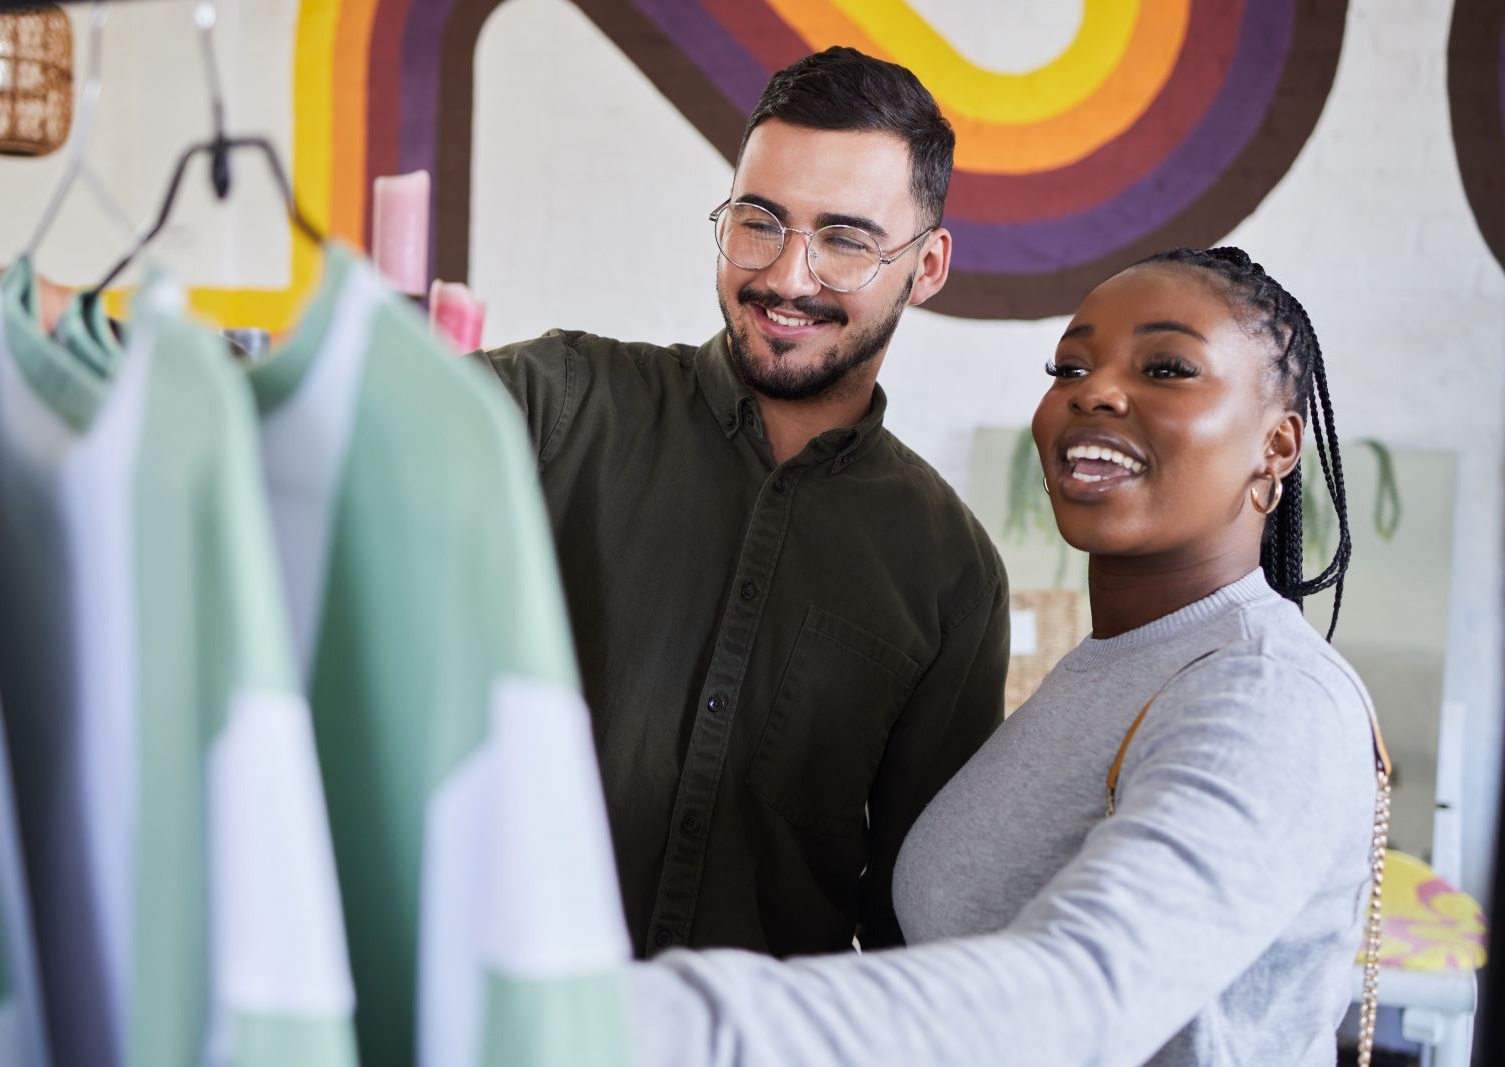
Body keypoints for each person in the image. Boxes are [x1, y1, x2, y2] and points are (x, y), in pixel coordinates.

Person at [626, 247, 1386, 1066]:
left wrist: (620, 1018)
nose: (1091, 389)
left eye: (1167, 368)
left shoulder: (1272, 694)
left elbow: (1082, 995)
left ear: (1277, 446)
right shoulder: (1111, 670)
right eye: (1069, 366)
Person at [472, 47, 1010, 959]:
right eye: (760, 221)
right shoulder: (557, 400)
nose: (787, 277)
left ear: (927, 267)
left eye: (845, 239)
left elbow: (916, 938)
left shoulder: (952, 574)